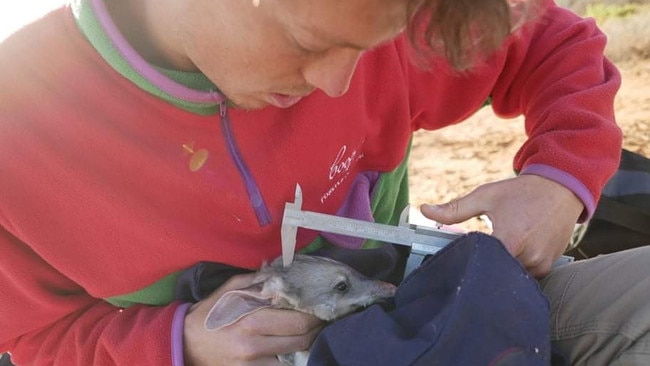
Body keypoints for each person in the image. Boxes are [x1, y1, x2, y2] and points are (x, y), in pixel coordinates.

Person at [0, 0, 647, 364]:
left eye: (368, 46)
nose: (341, 85)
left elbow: (549, 42)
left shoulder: (372, 17)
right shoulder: (19, 131)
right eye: (308, 44)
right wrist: (180, 344)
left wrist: (560, 179)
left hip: (426, 325)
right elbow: (31, 340)